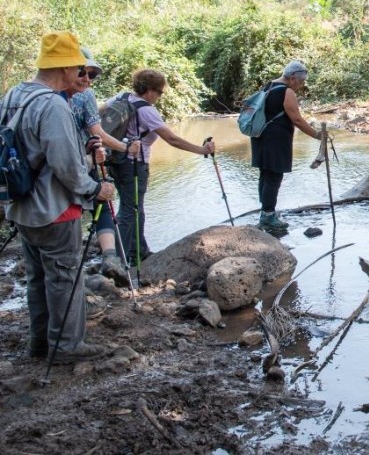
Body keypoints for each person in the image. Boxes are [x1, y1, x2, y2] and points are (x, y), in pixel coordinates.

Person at [0, 31, 117, 364]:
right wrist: (96, 189)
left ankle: (40, 343)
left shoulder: (13, 95)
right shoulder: (52, 105)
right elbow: (65, 165)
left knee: (38, 279)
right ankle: (66, 346)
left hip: (21, 205)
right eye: (79, 68)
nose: (82, 74)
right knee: (65, 277)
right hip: (54, 208)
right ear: (64, 67)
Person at [106, 69, 215, 263]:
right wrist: (202, 150)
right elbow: (173, 140)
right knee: (130, 211)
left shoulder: (121, 98)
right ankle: (117, 261)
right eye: (160, 92)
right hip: (134, 164)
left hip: (116, 160)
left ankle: (139, 251)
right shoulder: (146, 110)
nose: (159, 96)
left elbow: (99, 117)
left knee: (134, 208)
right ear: (149, 90)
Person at [64, 50, 138, 286]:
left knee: (78, 208)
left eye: (92, 74)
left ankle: (81, 266)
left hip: (71, 163)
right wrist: (125, 148)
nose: (87, 78)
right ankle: (109, 257)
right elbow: (98, 133)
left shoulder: (45, 96)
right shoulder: (84, 97)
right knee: (103, 204)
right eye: (82, 72)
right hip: (85, 161)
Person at [250, 61, 321, 231]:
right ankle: (268, 217)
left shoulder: (268, 86)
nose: (301, 85)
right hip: (275, 140)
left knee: (266, 175)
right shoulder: (286, 91)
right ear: (292, 78)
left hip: (260, 137)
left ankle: (266, 212)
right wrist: (317, 135)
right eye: (301, 82)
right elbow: (296, 119)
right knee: (274, 176)